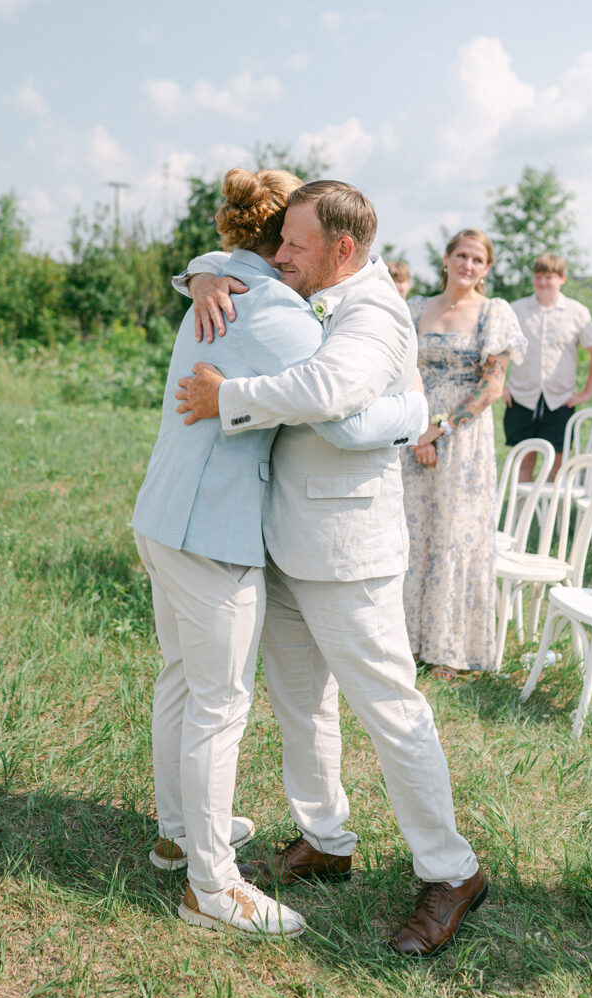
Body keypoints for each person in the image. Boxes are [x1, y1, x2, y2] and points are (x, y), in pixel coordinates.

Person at [175, 180, 488, 959]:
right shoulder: (310, 286)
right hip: (284, 540)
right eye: (277, 242)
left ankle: (451, 870)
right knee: (300, 705)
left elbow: (335, 404)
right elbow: (239, 266)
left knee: (389, 708)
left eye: (294, 246)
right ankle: (325, 837)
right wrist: (203, 273)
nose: (279, 257)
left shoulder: (373, 311)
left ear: (341, 250)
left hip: (347, 552)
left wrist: (230, 397)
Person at [133, 168, 428, 940]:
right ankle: (211, 885)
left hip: (164, 515)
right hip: (212, 530)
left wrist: (203, 268)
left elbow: (211, 270)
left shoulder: (222, 286)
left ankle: (177, 835)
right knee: (219, 702)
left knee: (180, 680)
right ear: (280, 243)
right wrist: (416, 409)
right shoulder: (269, 304)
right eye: (289, 240)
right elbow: (343, 421)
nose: (295, 255)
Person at [402, 229, 526, 675]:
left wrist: (438, 431)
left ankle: (449, 652)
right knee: (412, 534)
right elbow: (399, 371)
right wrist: (416, 432)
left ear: (486, 268)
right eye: (461, 255)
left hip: (463, 440)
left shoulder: (494, 313)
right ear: (446, 258)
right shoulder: (416, 307)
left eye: (477, 259)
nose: (467, 265)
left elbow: (492, 386)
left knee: (455, 536)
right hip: (412, 432)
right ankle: (406, 642)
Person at [503, 253, 592, 482]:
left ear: (562, 278)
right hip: (522, 396)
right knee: (524, 459)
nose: (542, 282)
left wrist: (588, 392)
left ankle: (552, 514)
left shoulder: (576, 311)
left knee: (558, 462)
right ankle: (522, 513)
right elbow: (498, 350)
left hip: (560, 399)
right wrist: (501, 385)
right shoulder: (517, 309)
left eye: (548, 277)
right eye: (538, 276)